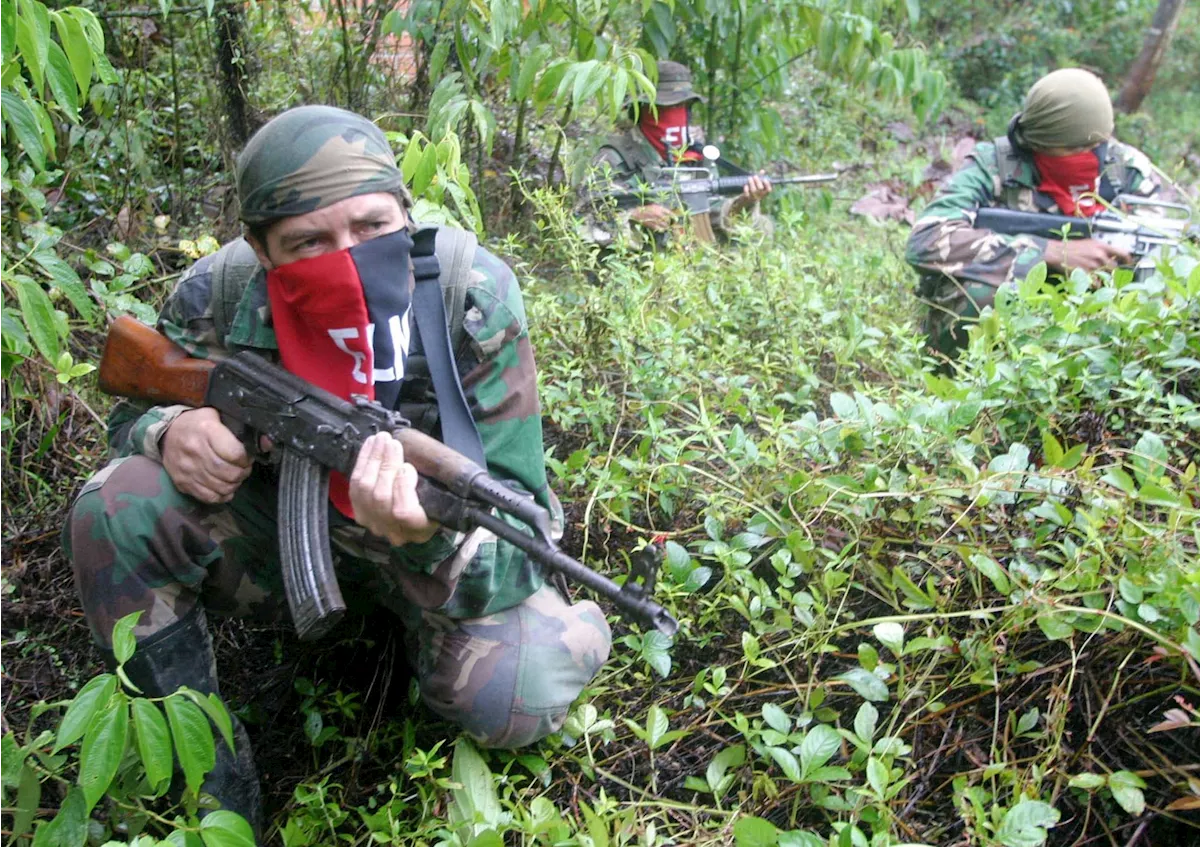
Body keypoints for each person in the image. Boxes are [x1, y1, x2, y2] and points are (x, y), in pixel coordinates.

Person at [62, 105, 612, 834]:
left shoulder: (466, 294)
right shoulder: (219, 295)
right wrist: (170, 431)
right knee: (111, 504)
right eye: (308, 242)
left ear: (405, 211)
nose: (347, 255)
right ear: (260, 249)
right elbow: (129, 408)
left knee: (517, 694)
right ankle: (209, 790)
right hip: (283, 548)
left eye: (372, 226)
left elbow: (520, 526)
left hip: (438, 561)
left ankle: (574, 627)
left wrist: (424, 535)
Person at [905, 68, 1171, 359]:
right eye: (1075, 148)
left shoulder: (1126, 169)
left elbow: (1163, 254)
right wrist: (1048, 252)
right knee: (978, 295)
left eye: (1096, 146)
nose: (1090, 156)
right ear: (1039, 143)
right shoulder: (993, 165)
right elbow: (926, 240)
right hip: (1014, 298)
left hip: (1098, 315)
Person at [585, 60, 773, 244]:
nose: (674, 115)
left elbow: (715, 217)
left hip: (690, 265)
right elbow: (583, 222)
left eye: (681, 106)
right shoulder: (614, 158)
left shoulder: (696, 157)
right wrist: (634, 216)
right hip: (635, 267)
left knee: (761, 228)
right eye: (663, 108)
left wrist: (745, 202)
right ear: (640, 110)